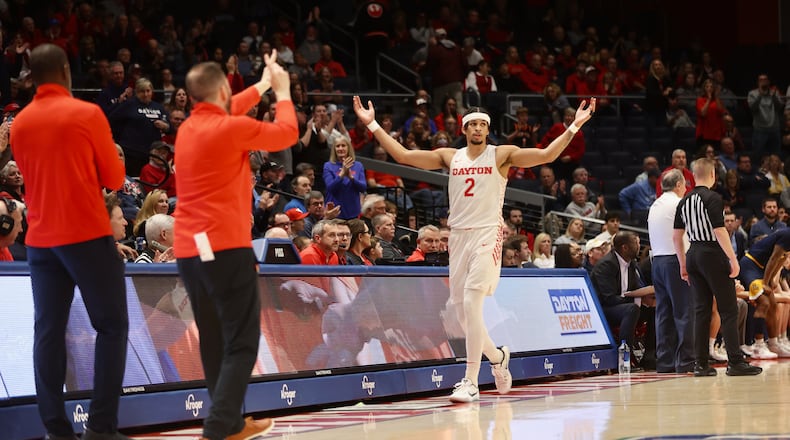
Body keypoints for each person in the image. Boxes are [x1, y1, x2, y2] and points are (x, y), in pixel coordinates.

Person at [353, 94, 596, 402]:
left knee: (471, 303)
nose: (478, 129)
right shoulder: (449, 156)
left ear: (487, 129)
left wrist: (575, 124)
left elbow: (547, 154)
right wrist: (372, 123)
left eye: (483, 124)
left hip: (487, 233)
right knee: (461, 315)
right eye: (473, 125)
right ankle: (497, 358)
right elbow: (402, 156)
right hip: (458, 237)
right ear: (465, 130)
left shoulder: (500, 154)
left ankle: (470, 381)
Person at [173, 50, 298, 440]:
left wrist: (260, 83)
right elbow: (288, 133)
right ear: (225, 89)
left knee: (213, 337)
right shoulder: (230, 129)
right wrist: (282, 92)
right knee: (243, 341)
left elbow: (227, 108)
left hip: (189, 249)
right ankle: (215, 429)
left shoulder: (189, 127)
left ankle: (227, 422)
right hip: (225, 246)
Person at [11, 44, 129, 440]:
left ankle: (56, 431)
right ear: (65, 69)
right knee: (111, 327)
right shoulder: (86, 113)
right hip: (85, 233)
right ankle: (101, 428)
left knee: (48, 331)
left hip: (41, 240)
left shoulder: (21, 123)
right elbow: (113, 179)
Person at [672, 158, 762, 377]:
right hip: (711, 253)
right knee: (728, 309)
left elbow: (676, 237)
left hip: (693, 253)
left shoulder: (684, 201)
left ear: (692, 176)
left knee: (701, 311)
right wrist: (732, 259)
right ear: (713, 175)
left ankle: (700, 364)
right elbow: (719, 230)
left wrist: (683, 264)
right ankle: (736, 362)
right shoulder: (712, 197)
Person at [647, 169, 694, 373]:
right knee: (684, 311)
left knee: (664, 313)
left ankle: (665, 362)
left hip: (657, 261)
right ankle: (686, 361)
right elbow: (687, 235)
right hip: (675, 260)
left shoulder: (654, 205)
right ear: (678, 185)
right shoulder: (678, 203)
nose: (685, 189)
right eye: (684, 185)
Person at [590, 231, 657, 369]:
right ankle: (624, 358)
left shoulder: (631, 264)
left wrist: (646, 298)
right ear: (624, 247)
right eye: (636, 243)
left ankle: (649, 357)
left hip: (624, 306)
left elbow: (636, 288)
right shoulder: (606, 265)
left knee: (655, 308)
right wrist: (637, 301)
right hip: (605, 310)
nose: (639, 246)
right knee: (632, 309)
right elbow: (608, 298)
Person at [738, 227, 790, 358]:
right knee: (764, 302)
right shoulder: (786, 234)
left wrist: (771, 279)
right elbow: (773, 259)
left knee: (773, 304)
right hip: (750, 266)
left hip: (762, 269)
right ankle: (758, 346)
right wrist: (766, 282)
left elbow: (782, 259)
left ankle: (773, 344)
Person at [323, 135, 366, 220]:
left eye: (343, 145)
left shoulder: (358, 165)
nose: (340, 148)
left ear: (348, 148)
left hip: (353, 212)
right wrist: (342, 174)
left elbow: (363, 187)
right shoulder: (328, 166)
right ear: (334, 149)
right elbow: (330, 188)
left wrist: (351, 177)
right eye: (337, 146)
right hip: (335, 212)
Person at [748, 74, 783, 155]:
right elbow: (753, 108)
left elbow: (779, 107)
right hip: (760, 129)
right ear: (758, 82)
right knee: (758, 154)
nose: (763, 82)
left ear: (768, 82)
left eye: (765, 80)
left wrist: (774, 96)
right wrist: (760, 95)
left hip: (774, 128)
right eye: (761, 80)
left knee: (776, 155)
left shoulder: (774, 93)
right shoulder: (752, 93)